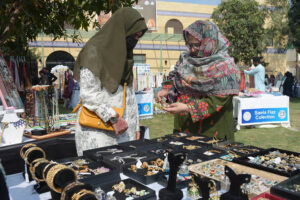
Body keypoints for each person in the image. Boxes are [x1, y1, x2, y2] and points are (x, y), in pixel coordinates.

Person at [73, 7, 147, 155]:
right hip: (98, 133)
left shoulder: (124, 56)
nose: (135, 41)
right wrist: (113, 118)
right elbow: (89, 93)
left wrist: (135, 126)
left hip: (124, 132)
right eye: (133, 35)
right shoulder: (94, 51)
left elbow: (129, 93)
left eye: (139, 37)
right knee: (100, 175)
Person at [156, 20, 240, 141]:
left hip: (213, 132)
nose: (193, 49)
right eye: (190, 45)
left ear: (210, 42)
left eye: (197, 44)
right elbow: (175, 77)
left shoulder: (225, 67)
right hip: (185, 127)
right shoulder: (185, 60)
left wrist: (187, 108)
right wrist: (166, 90)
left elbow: (219, 99)